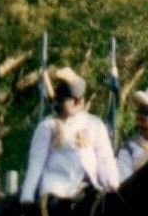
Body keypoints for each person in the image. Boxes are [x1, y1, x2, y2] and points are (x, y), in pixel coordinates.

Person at [20, 67, 118, 203]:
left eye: (79, 99)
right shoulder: (48, 126)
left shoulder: (94, 124)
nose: (77, 103)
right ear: (59, 100)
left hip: (88, 188)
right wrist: (27, 195)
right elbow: (36, 163)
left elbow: (105, 158)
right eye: (71, 99)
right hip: (57, 191)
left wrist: (112, 183)